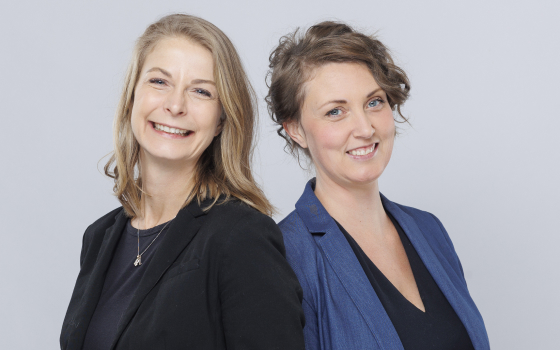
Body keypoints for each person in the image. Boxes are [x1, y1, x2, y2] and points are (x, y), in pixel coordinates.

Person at [60, 14, 305, 350]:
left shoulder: (242, 237)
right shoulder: (100, 238)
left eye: (201, 91)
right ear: (133, 96)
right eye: (159, 82)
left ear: (221, 120)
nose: (175, 105)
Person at [266, 21, 490, 350]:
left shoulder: (429, 229)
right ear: (295, 130)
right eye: (335, 111)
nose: (364, 128)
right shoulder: (285, 255)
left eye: (373, 102)